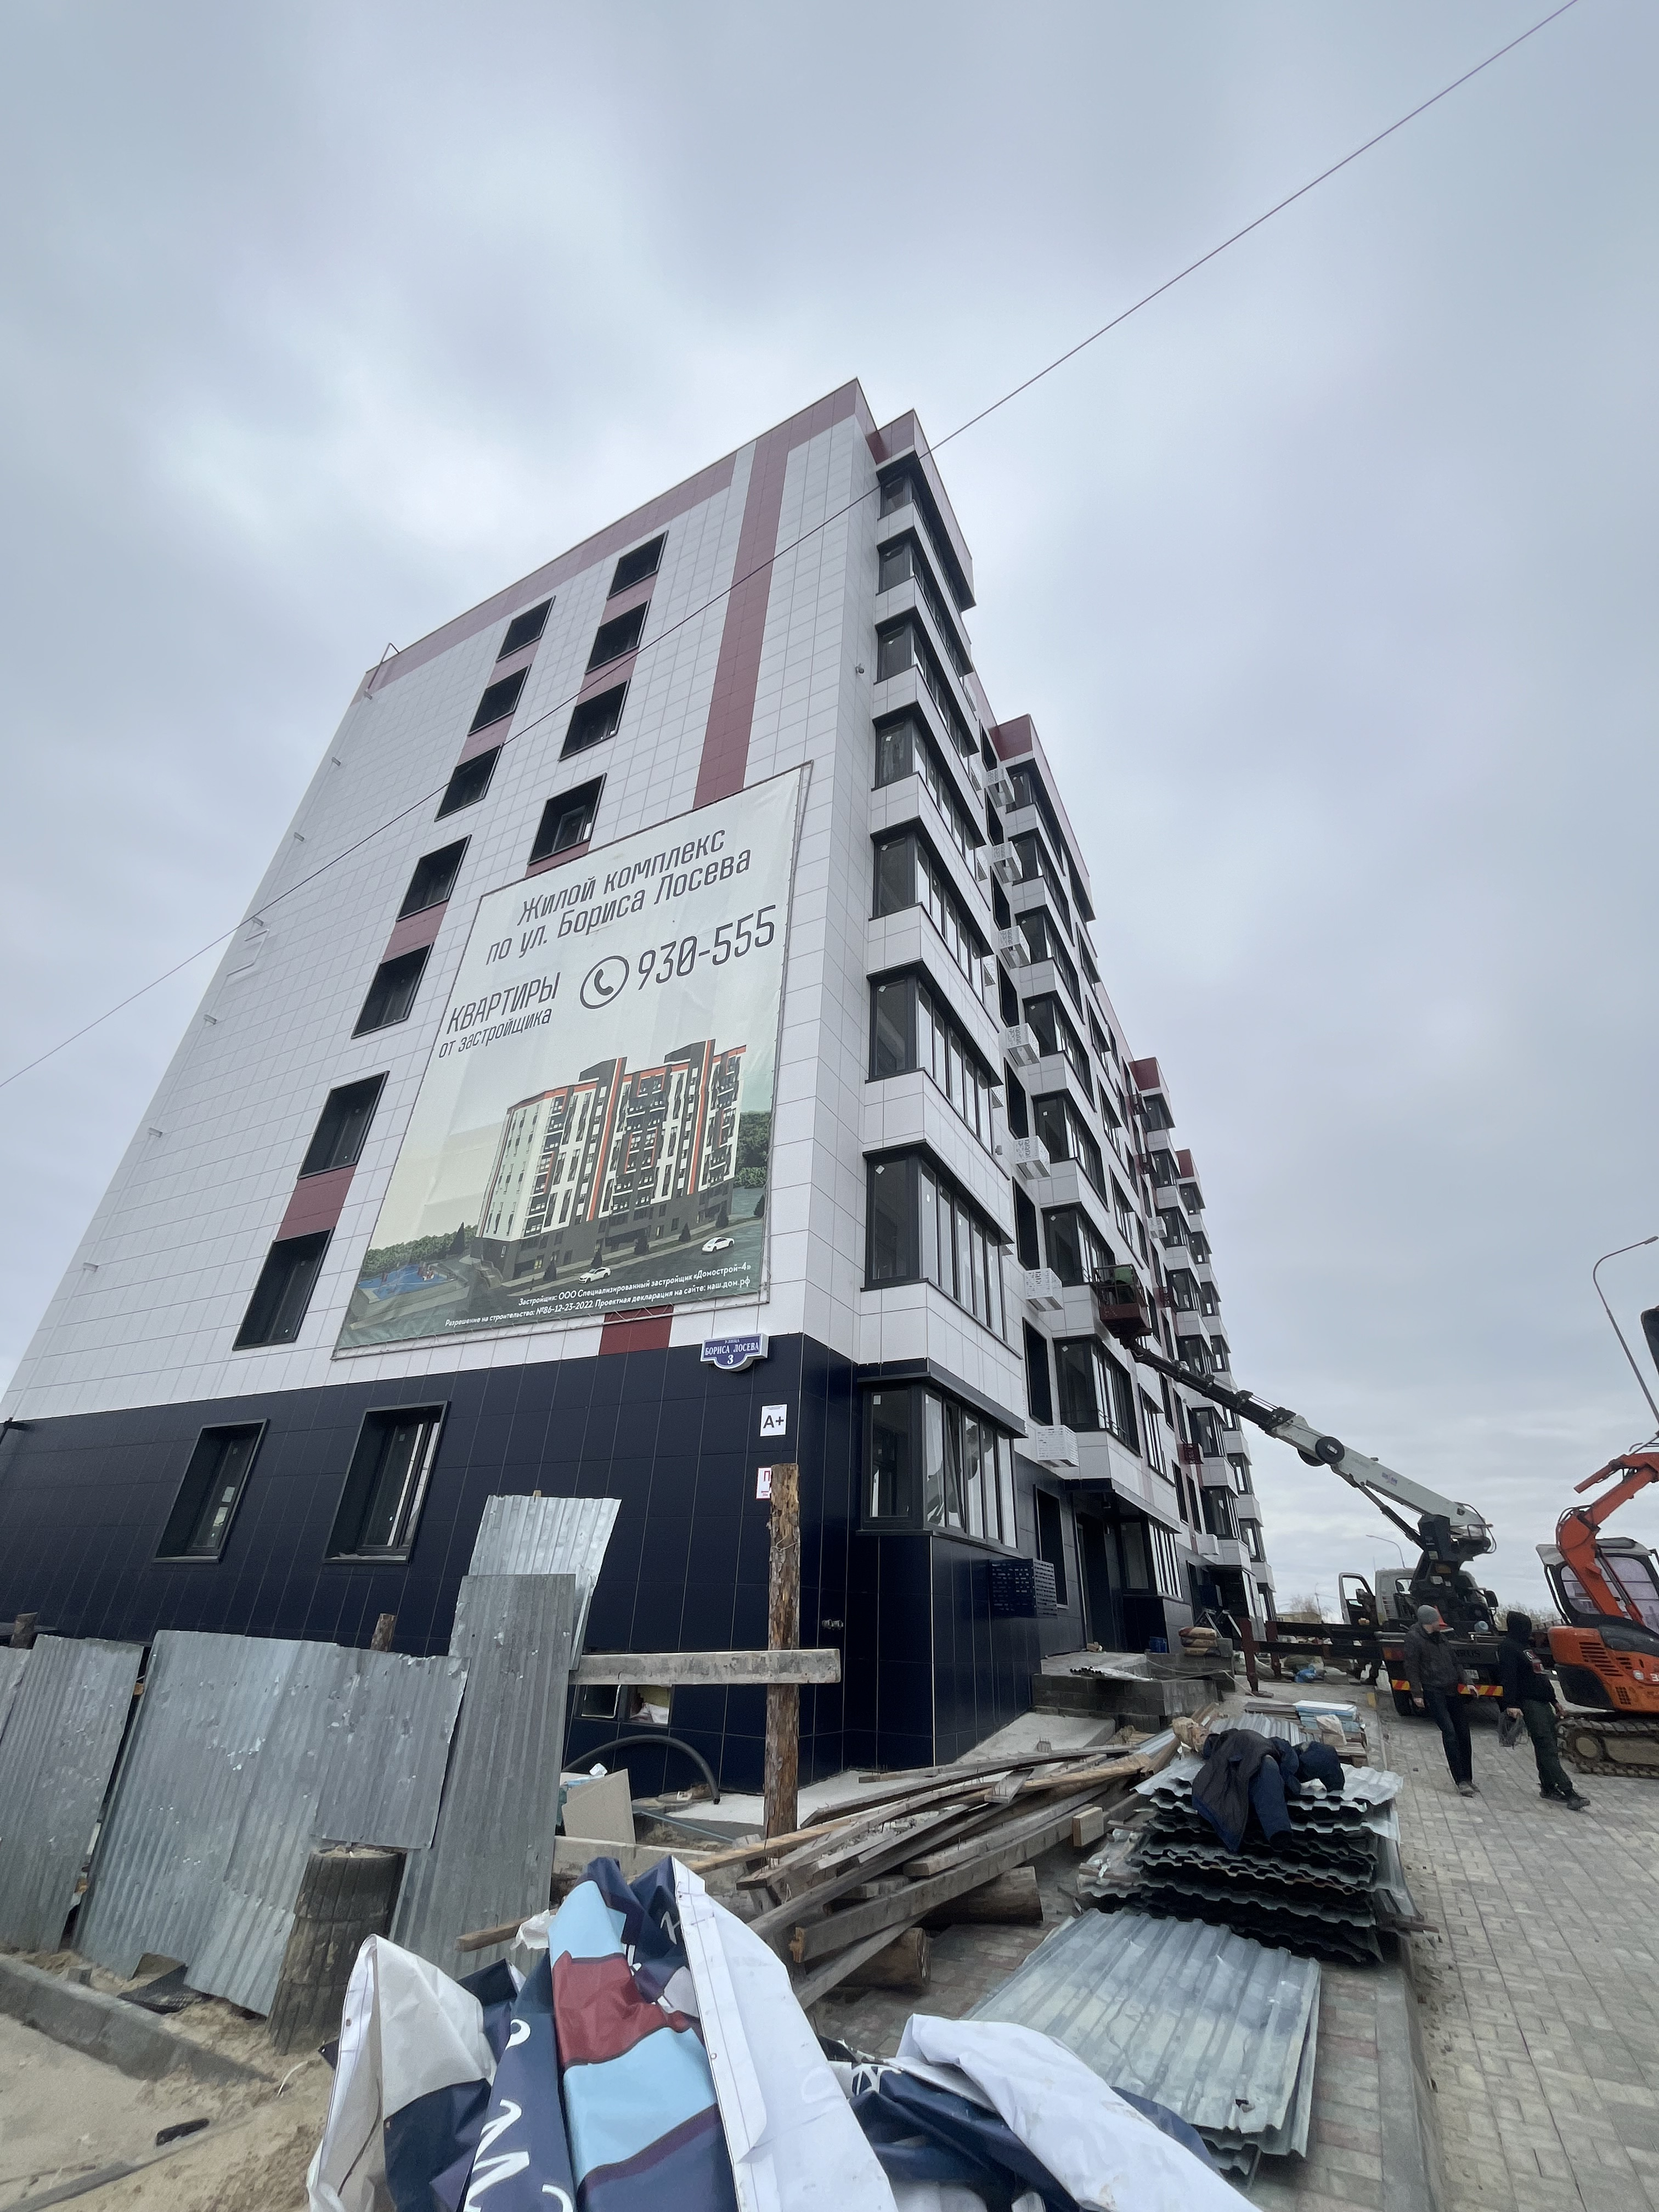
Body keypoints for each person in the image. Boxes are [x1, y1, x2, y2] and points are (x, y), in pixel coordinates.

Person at [1499, 1611, 1589, 1811]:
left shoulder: (1526, 1648)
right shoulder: (1508, 1647)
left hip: (1543, 1703)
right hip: (1529, 1703)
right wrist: (1511, 1704)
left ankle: (1549, 1787)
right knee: (1546, 1746)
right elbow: (1509, 1678)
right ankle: (1569, 1792)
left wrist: (1554, 1701)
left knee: (1549, 1747)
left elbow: (1540, 1677)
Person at [1404, 1602, 1476, 1796]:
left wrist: (1468, 1682)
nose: (1440, 1623)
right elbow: (1411, 1667)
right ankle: (1460, 1781)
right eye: (1437, 1620)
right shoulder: (1414, 1638)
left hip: (1452, 1689)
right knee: (1450, 1733)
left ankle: (1468, 1777)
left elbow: (1456, 1663)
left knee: (1463, 1733)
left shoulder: (1441, 1638)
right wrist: (1417, 1694)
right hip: (1433, 1690)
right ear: (1429, 1622)